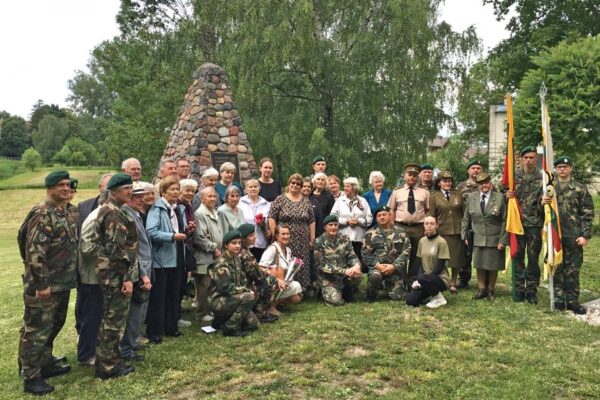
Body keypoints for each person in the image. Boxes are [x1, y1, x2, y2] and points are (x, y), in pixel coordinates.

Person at [18, 171, 78, 395]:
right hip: (44, 285)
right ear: (49, 187)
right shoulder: (43, 213)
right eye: (60, 185)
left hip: (61, 283)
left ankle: (44, 364)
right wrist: (42, 284)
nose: (65, 188)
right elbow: (35, 252)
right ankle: (31, 377)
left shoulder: (62, 212)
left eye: (67, 184)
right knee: (36, 331)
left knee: (54, 325)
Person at [93, 173, 138, 380]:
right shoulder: (113, 213)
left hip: (111, 272)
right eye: (126, 188)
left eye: (131, 187)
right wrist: (125, 277)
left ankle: (109, 361)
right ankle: (108, 367)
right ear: (114, 191)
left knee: (111, 319)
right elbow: (116, 249)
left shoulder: (111, 209)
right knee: (113, 320)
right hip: (115, 274)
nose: (130, 191)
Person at [542, 156, 594, 314]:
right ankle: (558, 299)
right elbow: (543, 211)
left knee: (572, 270)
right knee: (556, 267)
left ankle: (572, 301)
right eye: (559, 167)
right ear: (556, 170)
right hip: (555, 235)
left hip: (573, 235)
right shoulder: (550, 188)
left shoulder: (579, 188)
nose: (562, 169)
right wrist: (543, 201)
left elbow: (587, 213)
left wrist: (585, 235)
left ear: (570, 168)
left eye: (565, 166)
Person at [146, 178, 187, 343]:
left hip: (177, 256)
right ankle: (155, 331)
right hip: (162, 260)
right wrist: (172, 236)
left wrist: (186, 230)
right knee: (159, 297)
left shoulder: (178, 209)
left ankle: (171, 327)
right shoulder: (157, 209)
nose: (176, 192)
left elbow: (178, 229)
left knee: (174, 294)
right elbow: (151, 232)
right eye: (172, 189)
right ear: (163, 192)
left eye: (177, 189)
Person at [505, 146, 544, 304]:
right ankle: (519, 289)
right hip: (517, 224)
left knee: (533, 259)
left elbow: (547, 201)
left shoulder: (543, 177)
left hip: (535, 224)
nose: (528, 160)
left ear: (536, 159)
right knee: (517, 257)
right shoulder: (513, 177)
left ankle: (532, 290)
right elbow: (502, 195)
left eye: (532, 157)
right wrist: (506, 194)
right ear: (521, 159)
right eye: (526, 157)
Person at [120, 182, 153, 363]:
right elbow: (131, 250)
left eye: (143, 197)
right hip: (137, 272)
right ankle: (127, 349)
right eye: (137, 197)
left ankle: (131, 343)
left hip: (145, 269)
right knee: (134, 312)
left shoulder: (137, 215)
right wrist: (142, 274)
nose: (142, 200)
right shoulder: (126, 215)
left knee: (139, 311)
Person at [462, 173, 507, 301]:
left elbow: (505, 220)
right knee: (479, 264)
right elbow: (466, 218)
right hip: (477, 237)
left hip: (494, 237)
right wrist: (464, 234)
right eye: (481, 183)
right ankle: (481, 289)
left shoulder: (499, 198)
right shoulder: (472, 197)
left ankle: (490, 290)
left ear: (491, 184)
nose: (484, 185)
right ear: (478, 185)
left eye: (487, 182)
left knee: (493, 265)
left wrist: (503, 240)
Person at [268, 174, 315, 290]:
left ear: (301, 186)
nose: (295, 185)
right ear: (289, 184)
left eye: (298, 184)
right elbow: (272, 217)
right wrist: (275, 235)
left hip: (302, 239)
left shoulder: (306, 201)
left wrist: (312, 238)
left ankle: (301, 288)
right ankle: (286, 287)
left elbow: (312, 221)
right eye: (293, 183)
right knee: (286, 261)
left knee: (301, 262)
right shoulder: (280, 199)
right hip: (284, 238)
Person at [208, 230, 259, 337]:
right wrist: (246, 290)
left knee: (254, 325)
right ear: (226, 245)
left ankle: (223, 320)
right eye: (234, 243)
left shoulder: (236, 259)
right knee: (248, 296)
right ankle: (230, 327)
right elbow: (226, 288)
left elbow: (242, 280)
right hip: (219, 300)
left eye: (239, 243)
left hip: (233, 298)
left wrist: (248, 288)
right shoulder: (221, 263)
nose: (237, 246)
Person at [388, 163, 429, 283]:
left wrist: (426, 227)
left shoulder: (424, 192)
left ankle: (412, 281)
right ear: (404, 176)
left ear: (418, 177)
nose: (412, 177)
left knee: (416, 256)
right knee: (400, 254)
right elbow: (392, 210)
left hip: (418, 228)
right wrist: (392, 226)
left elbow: (427, 210)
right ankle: (399, 281)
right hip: (401, 227)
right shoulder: (397, 191)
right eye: (409, 175)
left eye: (415, 175)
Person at [362, 206, 411, 302]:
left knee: (398, 297)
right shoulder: (370, 234)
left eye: (384, 214)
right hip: (378, 268)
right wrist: (377, 265)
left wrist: (394, 266)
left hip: (395, 269)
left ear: (390, 215)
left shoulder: (401, 232)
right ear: (376, 218)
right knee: (375, 276)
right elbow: (365, 254)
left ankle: (388, 285)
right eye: (379, 216)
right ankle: (372, 295)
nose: (382, 217)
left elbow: (406, 251)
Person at [428, 170, 465, 294]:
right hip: (441, 231)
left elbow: (463, 213)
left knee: (456, 259)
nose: (447, 183)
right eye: (444, 181)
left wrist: (464, 230)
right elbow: (432, 215)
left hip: (456, 230)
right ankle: (444, 281)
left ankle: (453, 282)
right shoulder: (434, 196)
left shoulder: (458, 194)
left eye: (449, 181)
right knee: (442, 259)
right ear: (439, 183)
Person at [314, 215, 362, 306]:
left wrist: (356, 265)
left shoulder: (345, 238)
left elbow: (352, 255)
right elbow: (321, 265)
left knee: (357, 274)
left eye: (335, 225)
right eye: (330, 225)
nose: (333, 227)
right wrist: (344, 271)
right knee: (336, 301)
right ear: (325, 227)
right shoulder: (318, 242)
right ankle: (324, 292)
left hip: (343, 276)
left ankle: (347, 289)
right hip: (328, 278)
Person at [236, 224, 279, 323]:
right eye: (251, 236)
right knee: (270, 281)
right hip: (244, 287)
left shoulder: (238, 250)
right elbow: (257, 276)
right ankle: (261, 313)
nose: (254, 237)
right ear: (243, 239)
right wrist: (267, 273)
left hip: (239, 285)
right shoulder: (246, 254)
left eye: (254, 234)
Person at [193, 186, 223, 324]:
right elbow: (200, 237)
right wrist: (214, 248)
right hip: (205, 257)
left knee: (211, 284)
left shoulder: (214, 211)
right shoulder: (199, 214)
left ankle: (208, 309)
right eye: (209, 196)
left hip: (215, 255)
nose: (212, 199)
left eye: (214, 196)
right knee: (203, 285)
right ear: (202, 198)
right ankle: (201, 313)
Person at [406, 216, 451, 308]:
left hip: (440, 278)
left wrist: (422, 278)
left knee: (422, 278)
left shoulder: (442, 242)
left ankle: (439, 298)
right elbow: (420, 262)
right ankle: (431, 293)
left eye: (432, 224)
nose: (429, 226)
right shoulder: (422, 241)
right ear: (424, 226)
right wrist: (418, 281)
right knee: (410, 301)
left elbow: (440, 266)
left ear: (436, 225)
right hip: (425, 278)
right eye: (426, 224)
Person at [258, 224, 303, 315]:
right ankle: (270, 307)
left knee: (297, 297)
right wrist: (277, 279)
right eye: (283, 234)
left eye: (288, 234)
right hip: (271, 283)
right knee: (296, 285)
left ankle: (277, 304)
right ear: (277, 236)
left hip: (284, 281)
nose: (286, 236)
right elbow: (260, 267)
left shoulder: (288, 250)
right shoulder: (272, 249)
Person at [331, 177, 372, 267]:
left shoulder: (363, 201)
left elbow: (369, 219)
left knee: (358, 263)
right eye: (344, 186)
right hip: (343, 237)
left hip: (358, 237)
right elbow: (332, 217)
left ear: (354, 188)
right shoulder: (339, 201)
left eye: (348, 186)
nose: (345, 188)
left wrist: (359, 221)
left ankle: (357, 280)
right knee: (343, 262)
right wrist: (346, 221)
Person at [455, 159, 484, 288]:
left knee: (482, 250)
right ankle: (464, 278)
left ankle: (484, 278)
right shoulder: (461, 186)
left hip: (482, 224)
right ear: (468, 170)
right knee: (465, 251)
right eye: (473, 168)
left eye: (478, 168)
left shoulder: (486, 184)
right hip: (466, 223)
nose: (476, 170)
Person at [177, 179, 199, 327]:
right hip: (177, 249)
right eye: (187, 190)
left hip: (187, 246)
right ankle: (174, 315)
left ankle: (177, 312)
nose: (190, 193)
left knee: (182, 283)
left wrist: (190, 229)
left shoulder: (188, 206)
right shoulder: (178, 206)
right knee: (177, 283)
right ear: (180, 190)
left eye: (192, 191)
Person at [239, 179, 271, 261]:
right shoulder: (240, 203)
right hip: (246, 243)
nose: (253, 189)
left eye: (255, 186)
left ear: (259, 189)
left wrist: (268, 230)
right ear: (246, 190)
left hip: (261, 241)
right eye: (250, 187)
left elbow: (269, 221)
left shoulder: (266, 204)